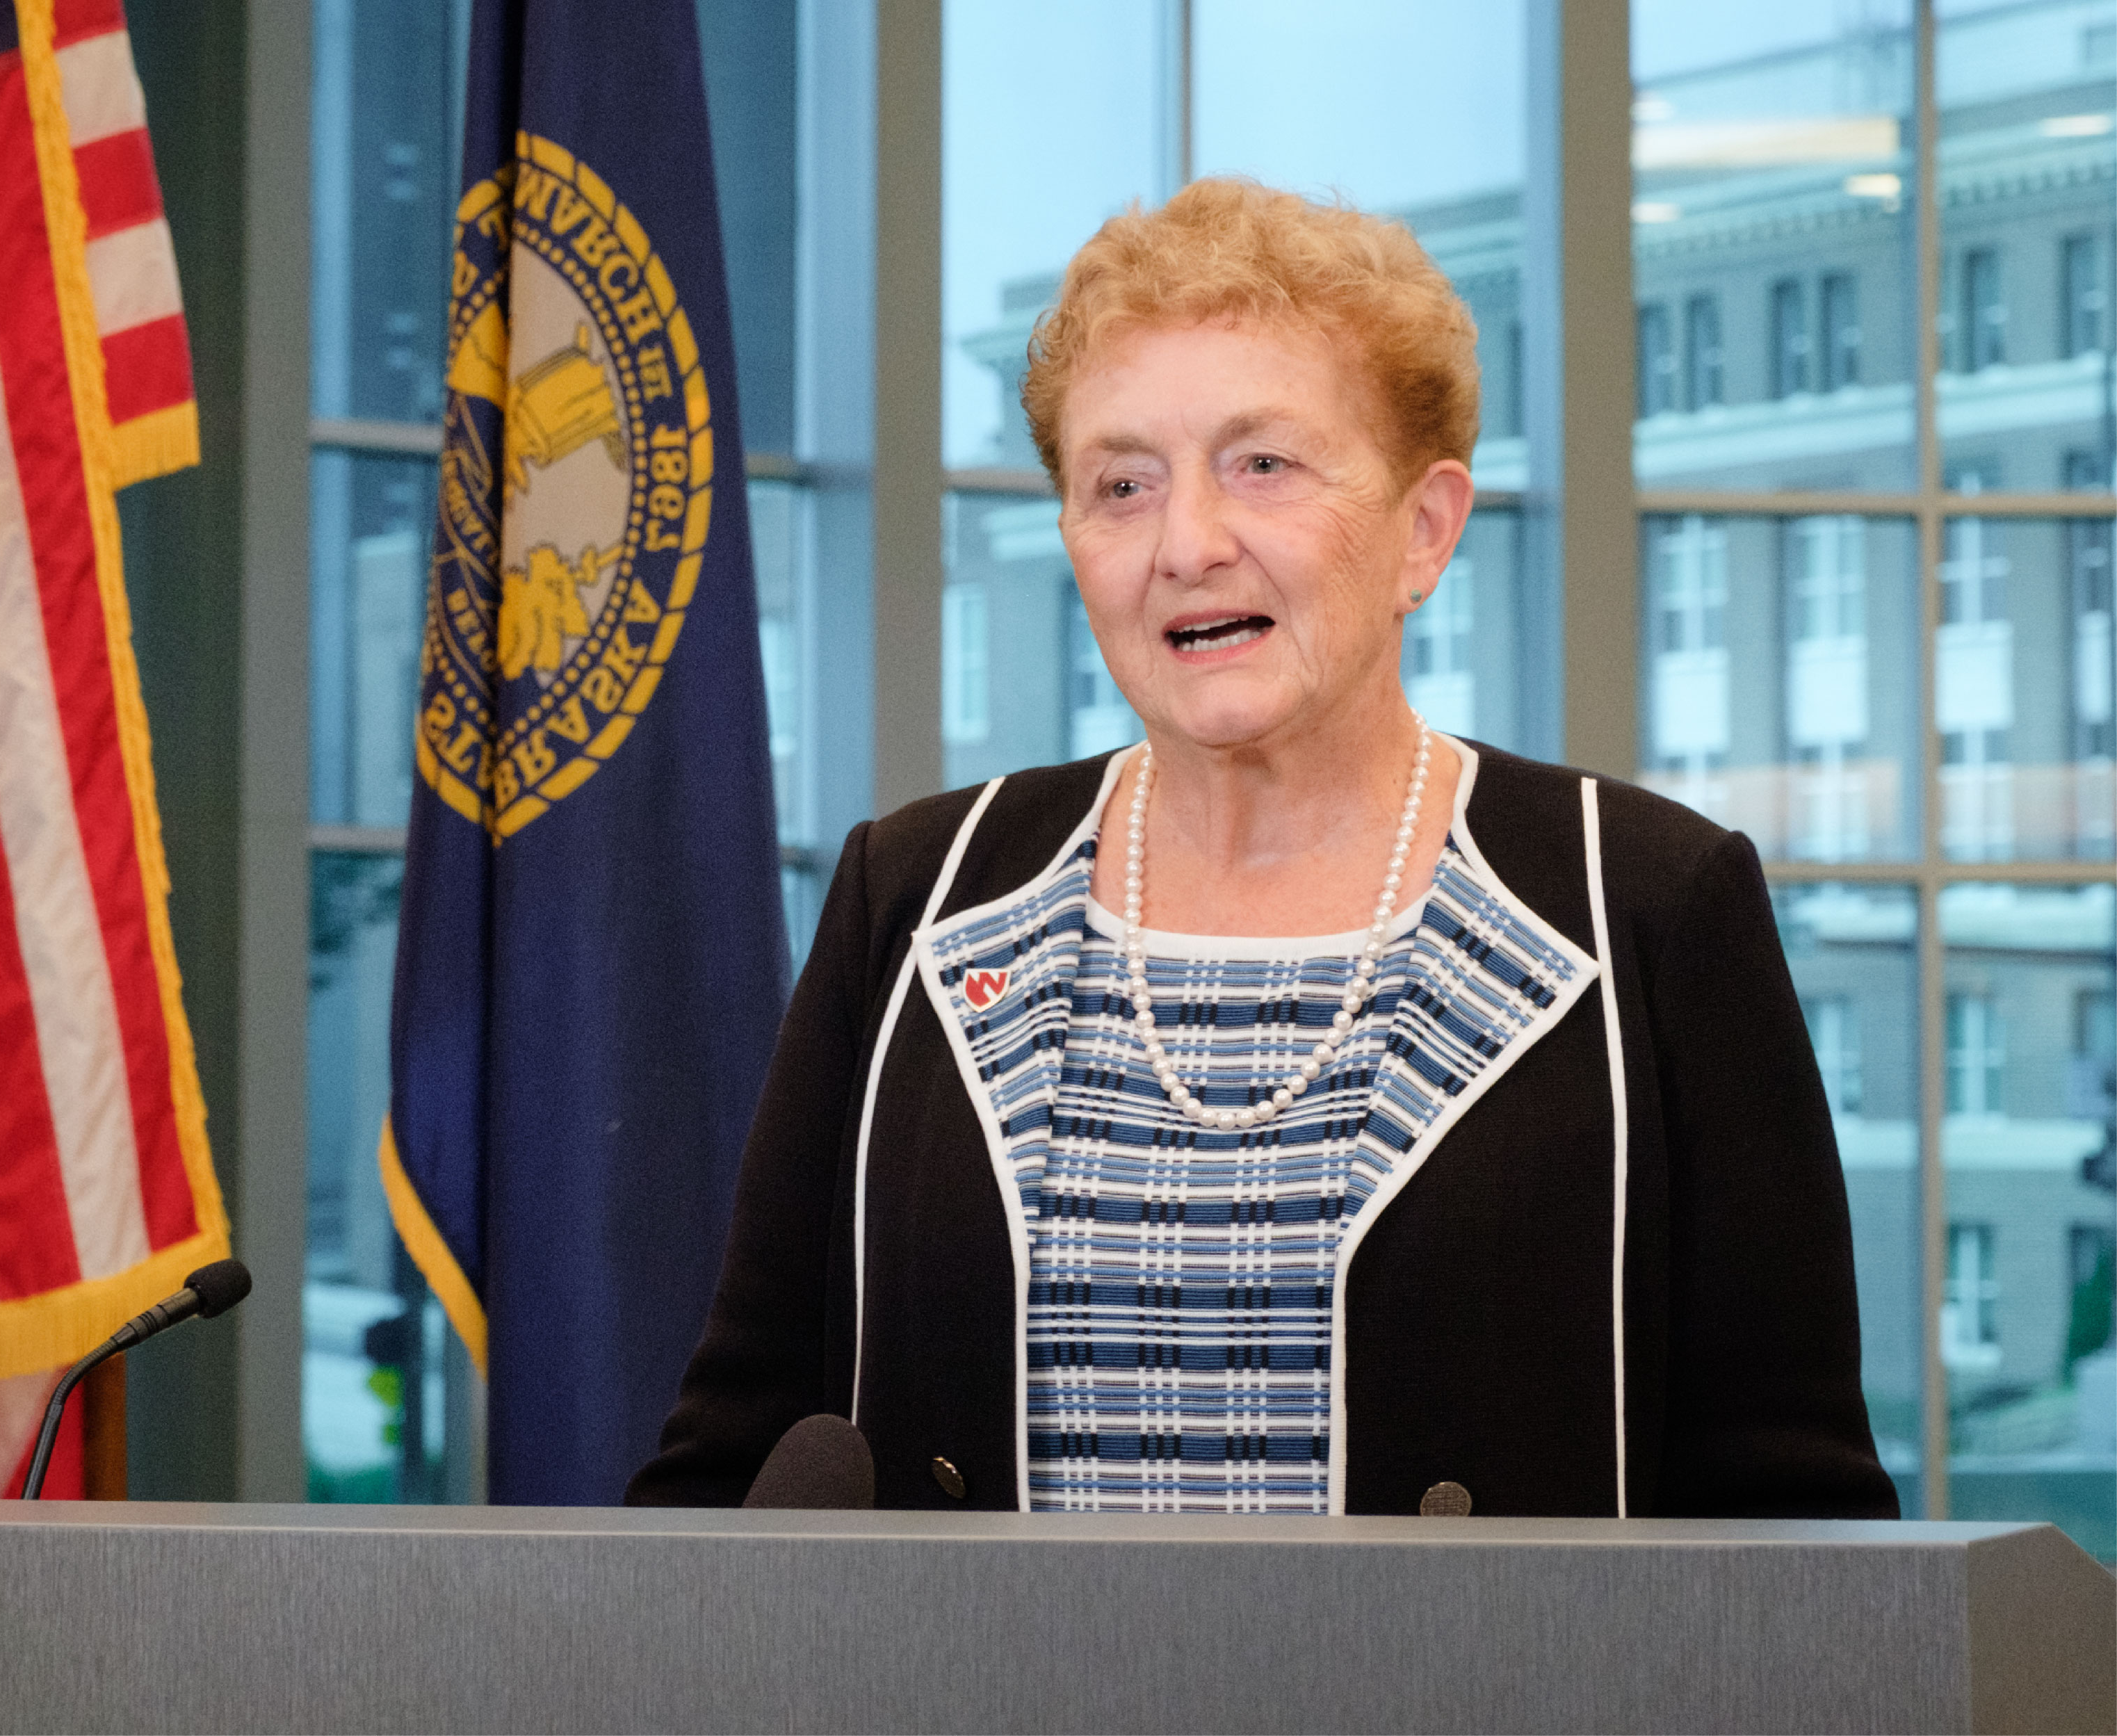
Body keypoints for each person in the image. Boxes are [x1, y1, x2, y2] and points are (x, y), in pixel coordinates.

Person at [628, 179, 1898, 1518]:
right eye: (1122, 484)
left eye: (1263, 465)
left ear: (1424, 528)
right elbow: (734, 1459)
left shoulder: (1643, 902)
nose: (1187, 544)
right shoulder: (922, 896)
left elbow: (1800, 1535)